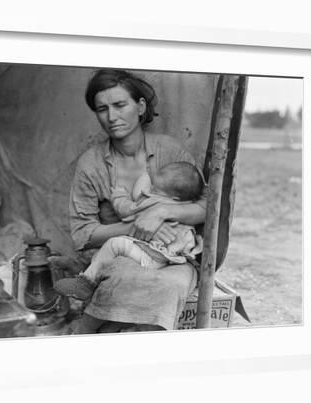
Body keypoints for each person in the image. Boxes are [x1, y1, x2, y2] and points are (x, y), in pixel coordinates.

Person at [67, 69, 207, 334]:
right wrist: (136, 228)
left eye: (120, 105)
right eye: (102, 109)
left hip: (172, 256)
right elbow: (81, 234)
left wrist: (162, 212)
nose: (111, 117)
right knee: (122, 280)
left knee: (170, 286)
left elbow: (207, 206)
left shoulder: (171, 150)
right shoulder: (91, 163)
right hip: (120, 255)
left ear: (140, 107)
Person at [56, 161, 204, 301]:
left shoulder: (155, 202)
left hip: (153, 258)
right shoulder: (185, 205)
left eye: (155, 189)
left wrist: (119, 194)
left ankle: (86, 283)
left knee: (114, 244)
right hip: (171, 256)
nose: (149, 190)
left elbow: (126, 209)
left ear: (174, 197)